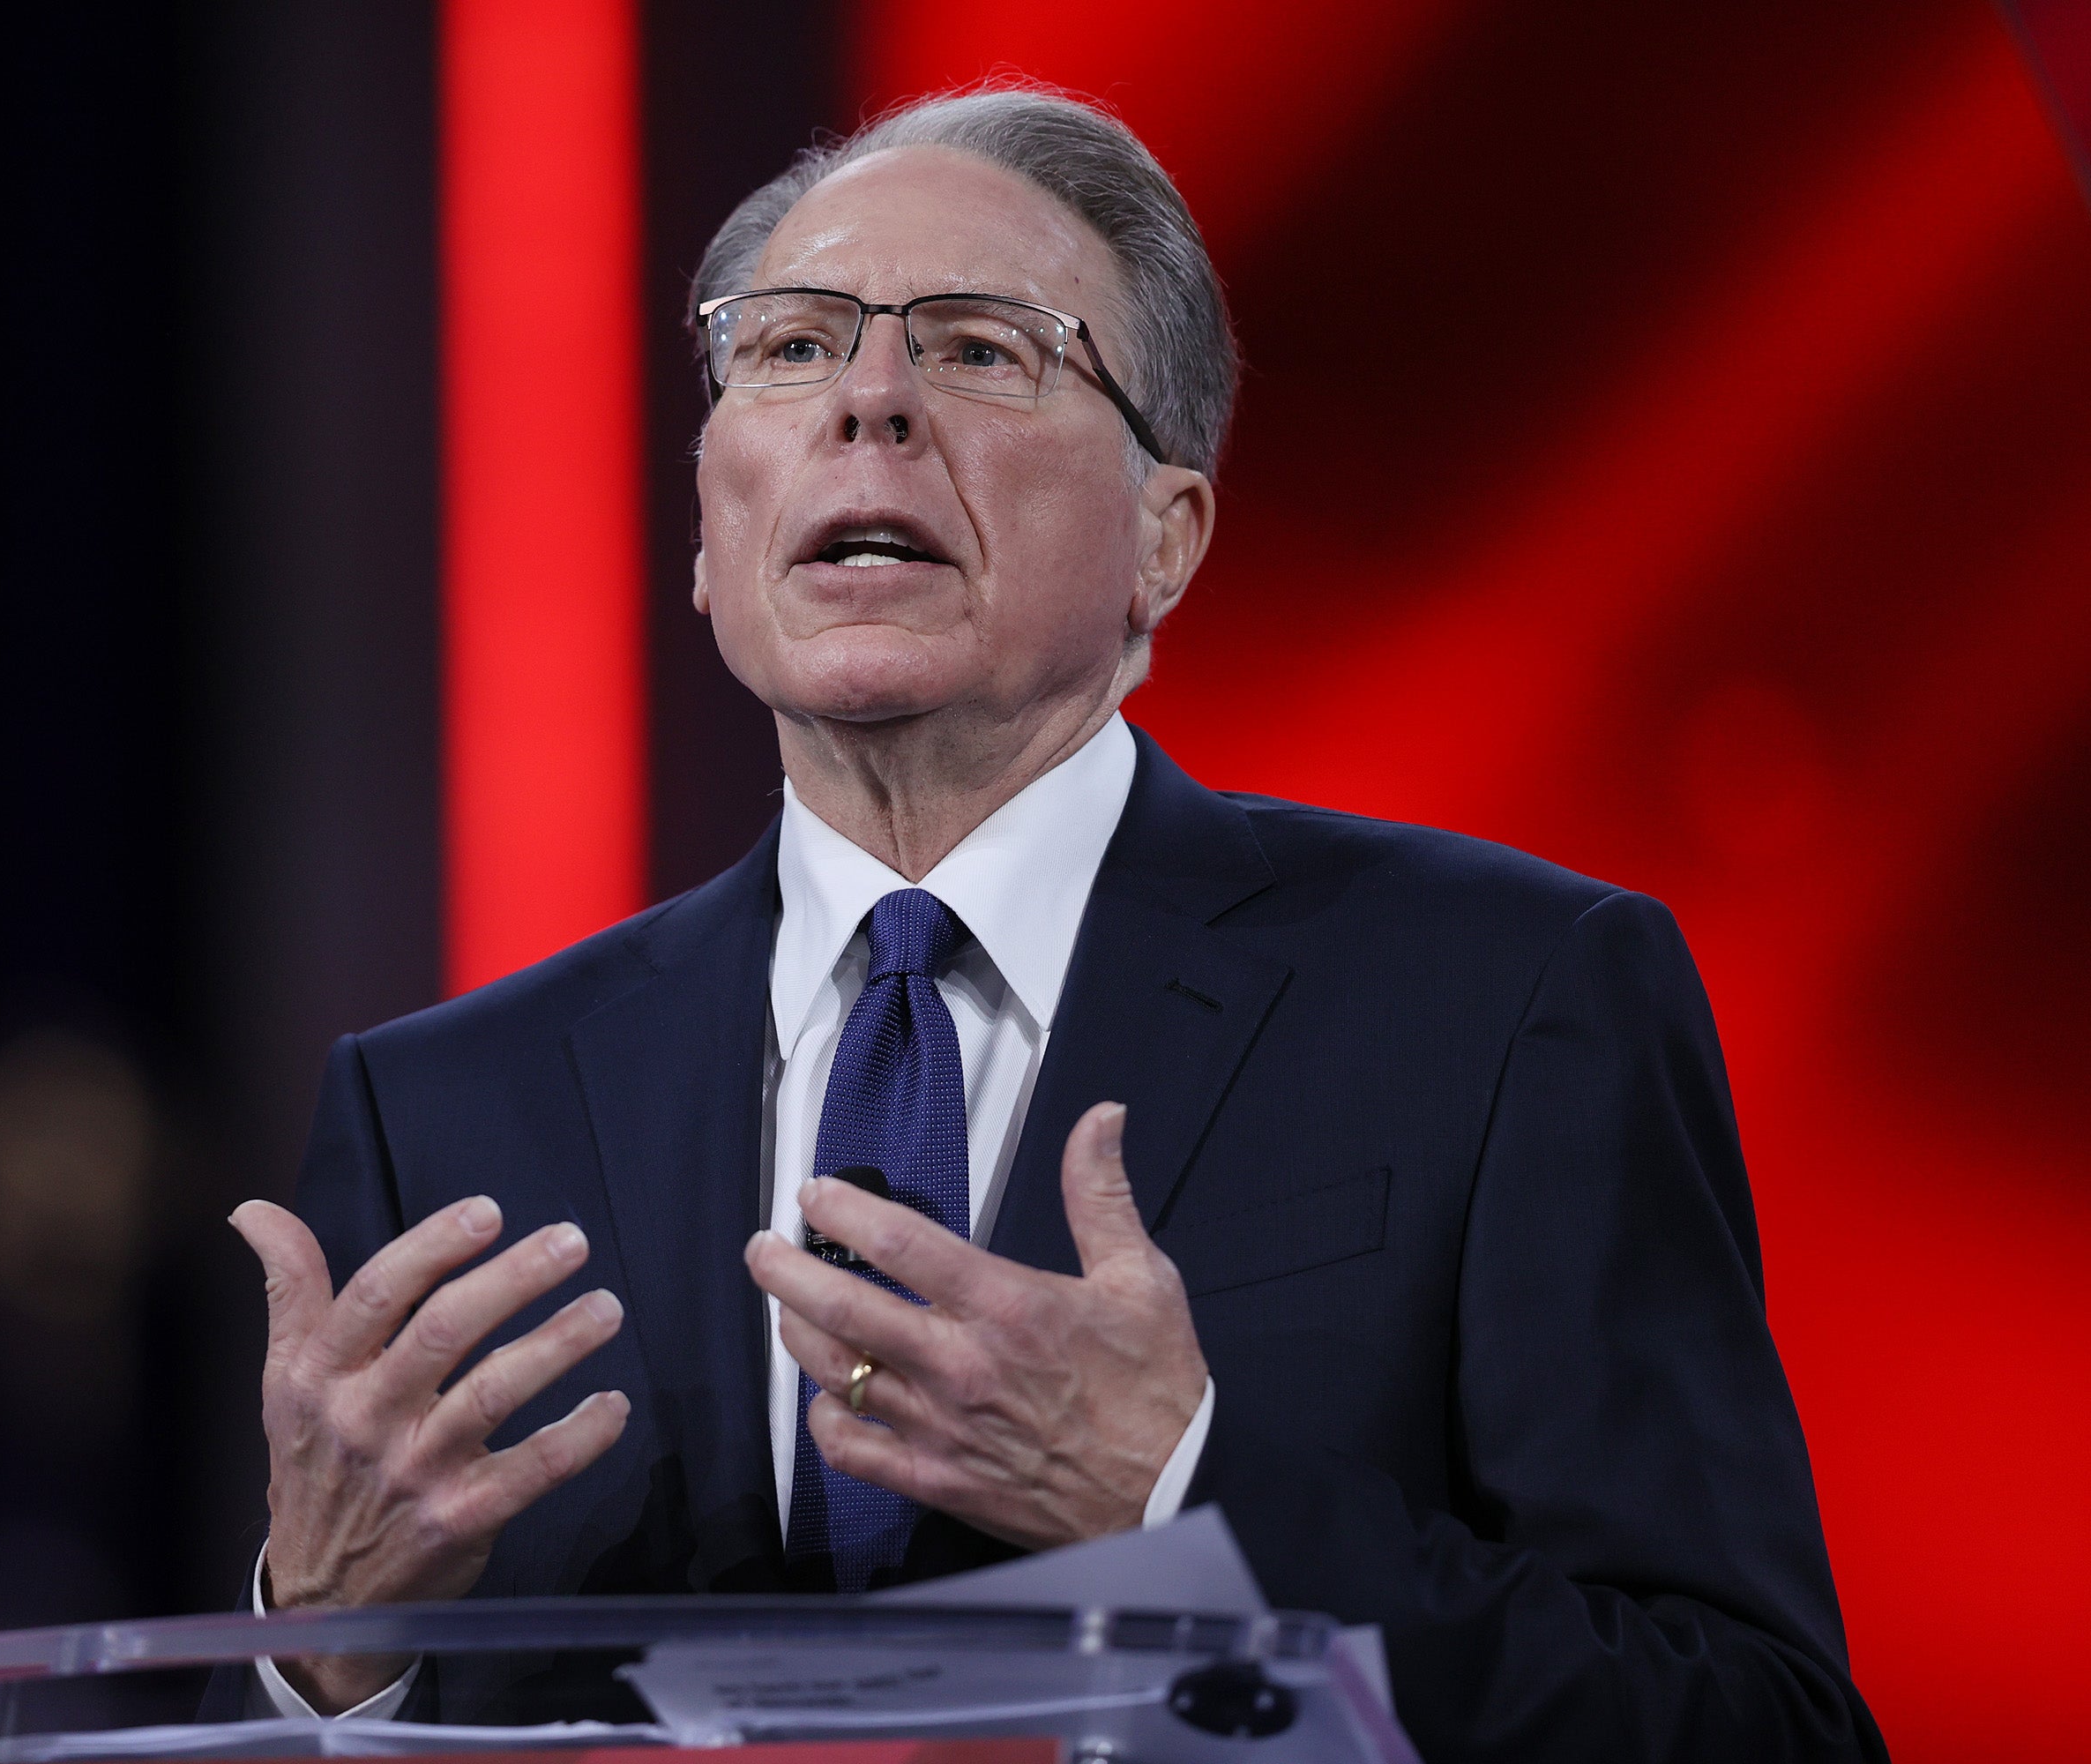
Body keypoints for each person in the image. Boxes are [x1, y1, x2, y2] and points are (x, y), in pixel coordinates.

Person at [216, 86, 1886, 1760]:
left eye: (981, 349)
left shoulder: (1510, 1003)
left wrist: (1183, 1493)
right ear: (713, 538)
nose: (868, 402)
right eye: (789, 350)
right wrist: (332, 1647)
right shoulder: (445, 1112)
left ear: (1167, 538)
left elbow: (1758, 1726)